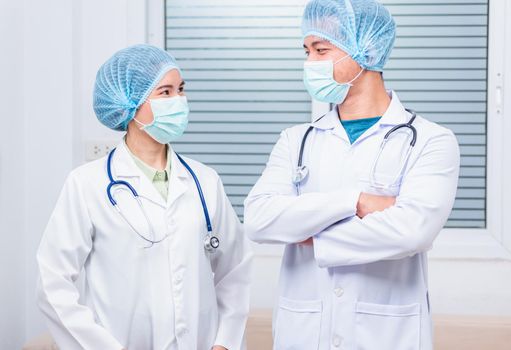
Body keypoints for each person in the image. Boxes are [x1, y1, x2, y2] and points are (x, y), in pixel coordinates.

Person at [244, 1, 460, 349]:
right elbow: (258, 219)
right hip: (303, 333)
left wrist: (311, 235)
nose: (309, 63)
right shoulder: (296, 140)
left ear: (366, 50)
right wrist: (356, 202)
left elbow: (411, 231)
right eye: (306, 50)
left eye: (321, 50)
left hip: (386, 335)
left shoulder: (431, 140)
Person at [36, 44, 252, 350]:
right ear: (129, 104)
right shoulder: (87, 184)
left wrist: (224, 342)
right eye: (165, 92)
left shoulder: (205, 181)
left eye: (181, 89)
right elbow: (52, 283)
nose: (180, 100)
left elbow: (235, 269)